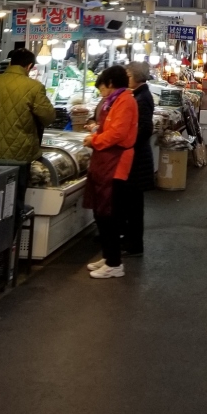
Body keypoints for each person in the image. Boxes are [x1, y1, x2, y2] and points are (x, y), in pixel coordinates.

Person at [0, 46, 55, 228]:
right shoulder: (34, 87)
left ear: (11, 62)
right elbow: (48, 117)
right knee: (13, 200)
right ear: (29, 66)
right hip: (19, 155)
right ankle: (10, 238)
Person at [83, 65, 138, 279]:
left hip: (116, 163)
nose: (101, 93)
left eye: (102, 88)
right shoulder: (114, 100)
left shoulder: (125, 101)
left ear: (110, 83)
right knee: (101, 212)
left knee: (110, 213)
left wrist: (94, 140)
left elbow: (117, 134)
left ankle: (114, 264)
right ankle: (108, 256)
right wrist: (96, 131)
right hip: (105, 160)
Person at [123, 61, 154, 257]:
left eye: (128, 75)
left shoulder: (142, 98)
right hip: (138, 157)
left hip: (138, 158)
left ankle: (134, 245)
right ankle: (131, 241)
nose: (126, 79)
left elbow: (144, 128)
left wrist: (127, 140)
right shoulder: (140, 95)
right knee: (132, 204)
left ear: (136, 76)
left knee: (134, 205)